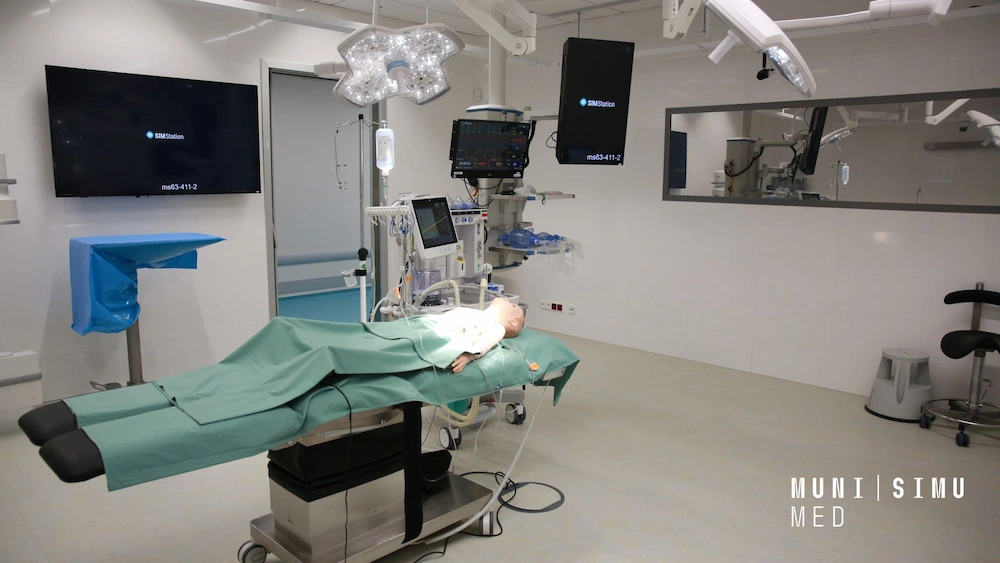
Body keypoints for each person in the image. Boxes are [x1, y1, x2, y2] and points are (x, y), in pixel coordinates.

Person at [441, 297, 525, 373]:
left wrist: (469, 356)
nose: (506, 298)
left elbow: (484, 344)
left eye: (513, 305)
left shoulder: (498, 328)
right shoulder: (479, 314)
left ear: (512, 321)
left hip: (446, 336)